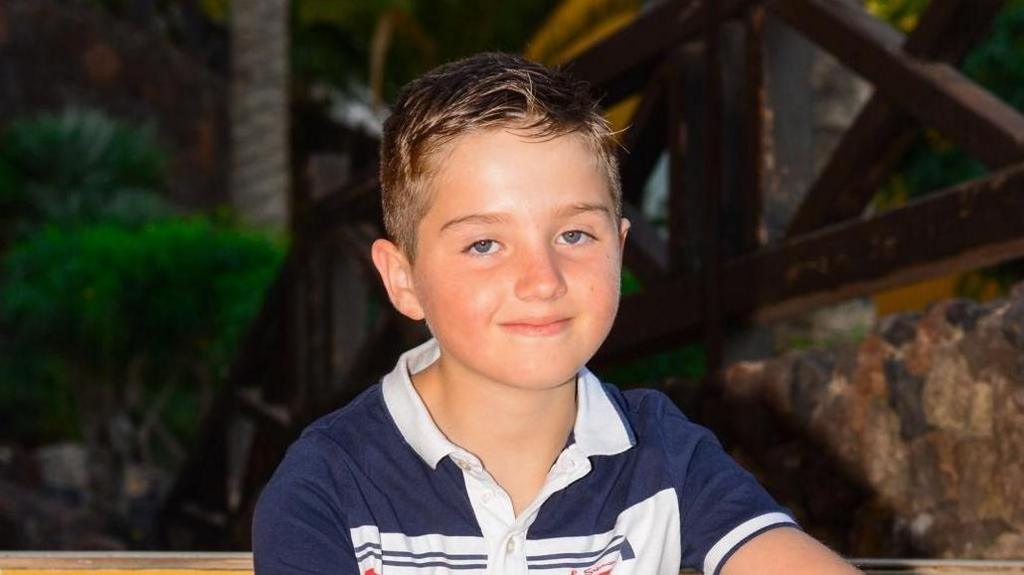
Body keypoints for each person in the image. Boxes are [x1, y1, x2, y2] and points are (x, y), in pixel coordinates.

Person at [252, 52, 861, 575]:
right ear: (403, 279)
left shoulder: (665, 456)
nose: (542, 280)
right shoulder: (328, 484)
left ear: (620, 249)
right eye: (484, 244)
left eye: (573, 235)